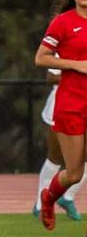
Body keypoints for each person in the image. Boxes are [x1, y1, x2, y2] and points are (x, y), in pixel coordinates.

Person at [34, 0, 87, 236]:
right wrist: (76, 65)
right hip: (71, 105)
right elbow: (41, 58)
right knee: (74, 173)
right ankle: (48, 198)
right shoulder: (64, 23)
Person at [30, 67, 83, 220]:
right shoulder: (67, 46)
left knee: (84, 160)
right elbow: (50, 77)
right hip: (63, 105)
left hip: (83, 105)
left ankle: (68, 197)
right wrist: (77, 77)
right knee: (56, 157)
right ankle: (41, 205)